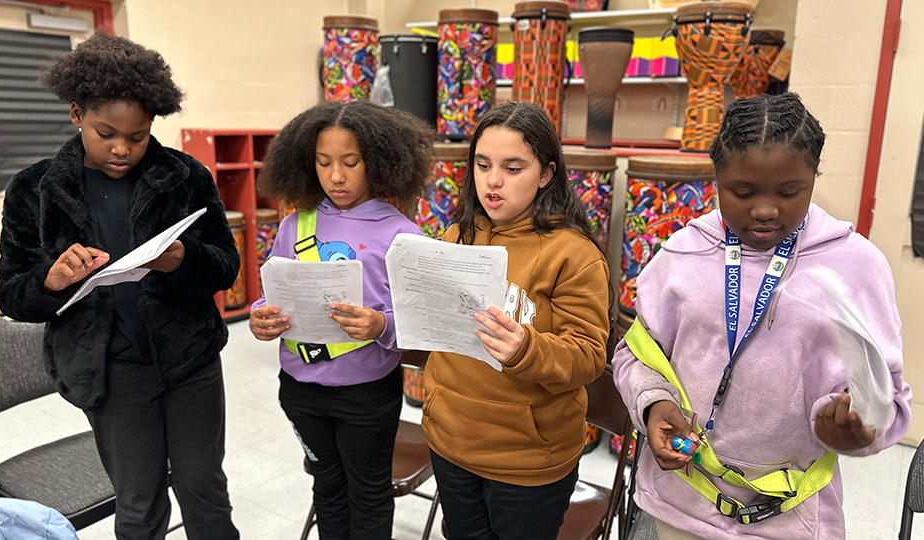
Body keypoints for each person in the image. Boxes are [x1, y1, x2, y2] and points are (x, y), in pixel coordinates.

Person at [612, 93, 912, 540]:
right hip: (681, 507)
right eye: (743, 192)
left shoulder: (857, 267)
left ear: (812, 178)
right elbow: (635, 355)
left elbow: (885, 398)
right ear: (716, 179)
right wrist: (653, 403)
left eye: (790, 192)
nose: (766, 209)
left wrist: (859, 430)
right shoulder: (681, 255)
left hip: (789, 517)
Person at [0, 34, 240, 540]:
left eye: (140, 135)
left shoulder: (184, 176)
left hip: (190, 362)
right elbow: (10, 294)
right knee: (137, 504)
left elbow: (225, 267)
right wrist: (51, 279)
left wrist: (183, 259)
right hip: (110, 371)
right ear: (76, 113)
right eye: (106, 133)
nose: (123, 148)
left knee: (205, 490)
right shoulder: (35, 190)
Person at [420, 101, 611, 539]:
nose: (492, 180)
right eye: (482, 164)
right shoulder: (458, 234)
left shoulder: (574, 255)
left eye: (512, 167)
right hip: (450, 439)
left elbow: (587, 358)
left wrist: (528, 349)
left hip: (527, 460)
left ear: (546, 174)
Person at [248, 100, 433, 539]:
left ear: (379, 162)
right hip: (299, 388)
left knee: (369, 493)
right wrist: (260, 317)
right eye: (324, 162)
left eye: (351, 163)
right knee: (326, 487)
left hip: (365, 394)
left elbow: (423, 321)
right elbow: (273, 292)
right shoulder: (295, 225)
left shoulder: (402, 234)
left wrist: (381, 326)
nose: (336, 176)